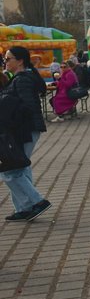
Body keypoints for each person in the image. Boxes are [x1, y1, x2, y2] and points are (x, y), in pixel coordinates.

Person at [0, 46, 51, 222]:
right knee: (20, 167)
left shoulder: (22, 80)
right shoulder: (21, 78)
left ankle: (37, 202)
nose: (5, 62)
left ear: (20, 61)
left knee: (12, 170)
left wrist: (8, 112)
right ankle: (24, 207)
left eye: (8, 59)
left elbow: (26, 107)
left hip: (24, 130)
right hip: (24, 129)